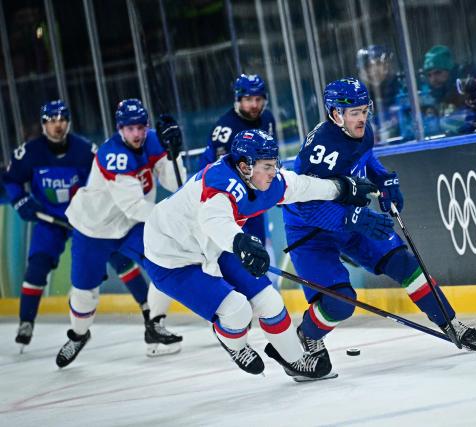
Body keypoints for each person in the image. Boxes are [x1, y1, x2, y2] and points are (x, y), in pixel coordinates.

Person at [282, 78, 476, 377]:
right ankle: (308, 336)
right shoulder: (321, 149)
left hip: (350, 218)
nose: (362, 117)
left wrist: (384, 179)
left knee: (405, 263)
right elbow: (305, 205)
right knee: (340, 302)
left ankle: (449, 322)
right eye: (354, 113)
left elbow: (366, 162)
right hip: (309, 231)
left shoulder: (362, 132)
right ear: (336, 114)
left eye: (365, 110)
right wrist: (351, 219)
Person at [142, 128, 377, 381]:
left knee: (270, 302)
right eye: (267, 166)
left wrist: (342, 188)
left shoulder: (264, 180)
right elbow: (213, 219)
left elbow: (301, 186)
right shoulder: (221, 185)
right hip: (171, 256)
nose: (273, 172)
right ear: (245, 166)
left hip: (214, 245)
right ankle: (234, 344)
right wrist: (239, 241)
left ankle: (296, 362)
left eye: (274, 165)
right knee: (237, 311)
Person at [2, 100, 154, 350]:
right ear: (43, 125)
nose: (57, 125)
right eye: (51, 121)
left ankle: (148, 312)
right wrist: (19, 200)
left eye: (61, 120)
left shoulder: (86, 150)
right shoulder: (30, 152)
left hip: (86, 222)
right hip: (50, 221)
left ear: (68, 122)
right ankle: (26, 322)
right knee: (37, 267)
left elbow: (103, 182)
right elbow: (11, 180)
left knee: (121, 259)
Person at [55, 99, 186, 368]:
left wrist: (174, 154)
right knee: (84, 292)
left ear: (147, 126)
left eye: (140, 127)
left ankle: (155, 328)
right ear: (119, 129)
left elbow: (175, 185)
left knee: (168, 264)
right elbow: (134, 206)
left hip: (130, 227)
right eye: (129, 129)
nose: (136, 134)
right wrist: (172, 219)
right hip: (93, 228)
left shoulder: (152, 140)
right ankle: (79, 335)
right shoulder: (111, 153)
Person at [198, 74, 276, 245]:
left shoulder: (267, 119)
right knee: (236, 249)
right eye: (248, 99)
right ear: (238, 100)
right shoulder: (225, 129)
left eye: (258, 99)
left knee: (258, 245)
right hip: (227, 198)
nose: (254, 105)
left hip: (253, 193)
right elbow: (217, 173)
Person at [356, 45, 401, 142]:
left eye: (379, 64)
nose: (374, 70)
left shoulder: (401, 88)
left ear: (388, 65)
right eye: (368, 66)